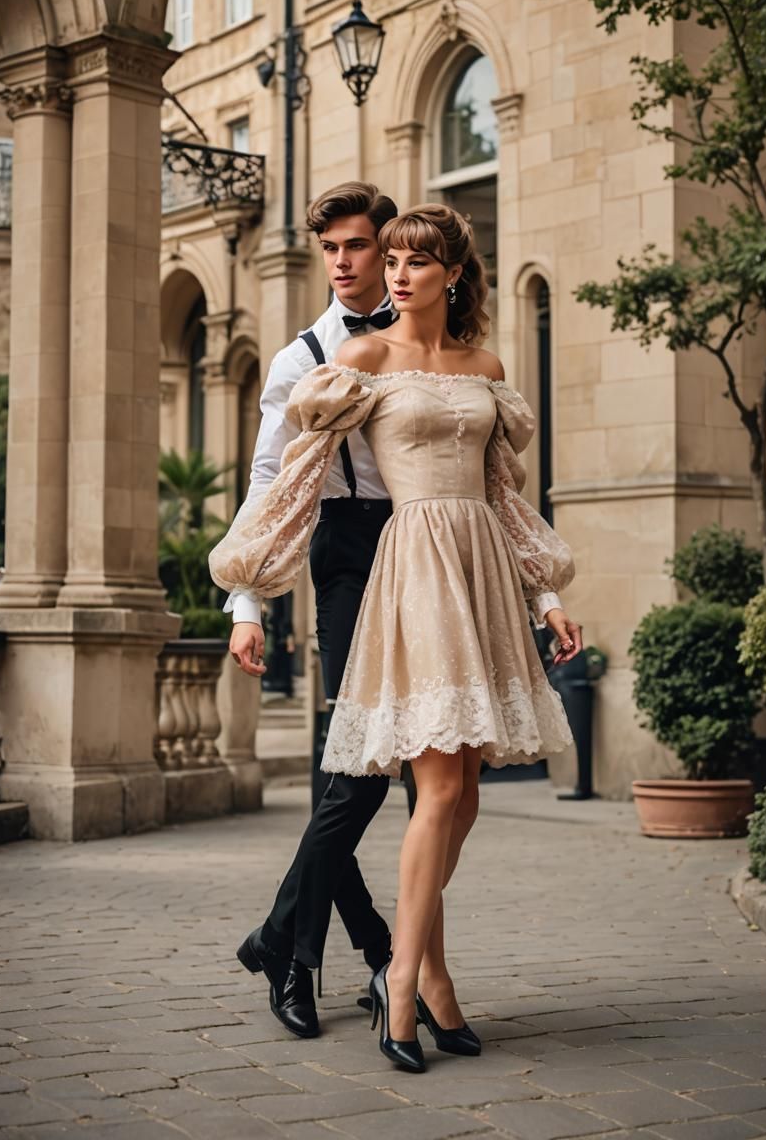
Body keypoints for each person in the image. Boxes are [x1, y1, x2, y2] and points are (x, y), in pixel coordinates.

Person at [211, 204, 582, 1072]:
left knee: (459, 794)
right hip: (393, 563)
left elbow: (504, 496)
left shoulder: (487, 368)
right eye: (391, 257)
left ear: (451, 272)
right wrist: (246, 596)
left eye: (412, 258)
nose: (392, 269)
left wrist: (546, 598)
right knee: (399, 783)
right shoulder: (344, 361)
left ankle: (418, 976)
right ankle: (394, 980)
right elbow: (285, 483)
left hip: (481, 570)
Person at [222, 181, 402, 1039]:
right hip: (341, 556)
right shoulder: (301, 357)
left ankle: (296, 940)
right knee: (356, 762)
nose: (341, 262)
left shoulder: (426, 345)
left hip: (424, 548)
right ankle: (328, 954)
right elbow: (267, 478)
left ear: (386, 246)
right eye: (329, 248)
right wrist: (247, 601)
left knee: (362, 769)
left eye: (356, 245)